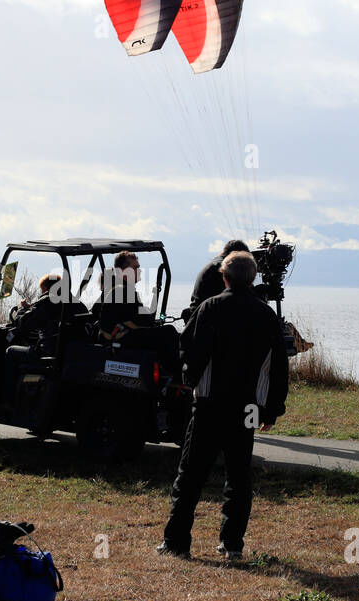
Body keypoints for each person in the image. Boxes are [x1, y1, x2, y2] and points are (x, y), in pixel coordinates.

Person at [158, 251, 289, 562]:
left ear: (224, 277)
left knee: (191, 474)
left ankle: (176, 542)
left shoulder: (210, 308)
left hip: (209, 403)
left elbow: (189, 348)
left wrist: (191, 380)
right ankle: (232, 544)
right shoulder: (266, 315)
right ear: (253, 278)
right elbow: (279, 366)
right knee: (239, 476)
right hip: (247, 409)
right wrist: (271, 409)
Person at [92, 250, 152, 340]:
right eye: (135, 268)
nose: (139, 271)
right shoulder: (123, 291)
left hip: (120, 333)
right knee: (169, 331)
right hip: (121, 338)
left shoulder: (116, 288)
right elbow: (138, 320)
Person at [186, 239, 250, 317]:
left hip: (200, 315)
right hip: (207, 318)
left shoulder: (215, 264)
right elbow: (234, 297)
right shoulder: (223, 268)